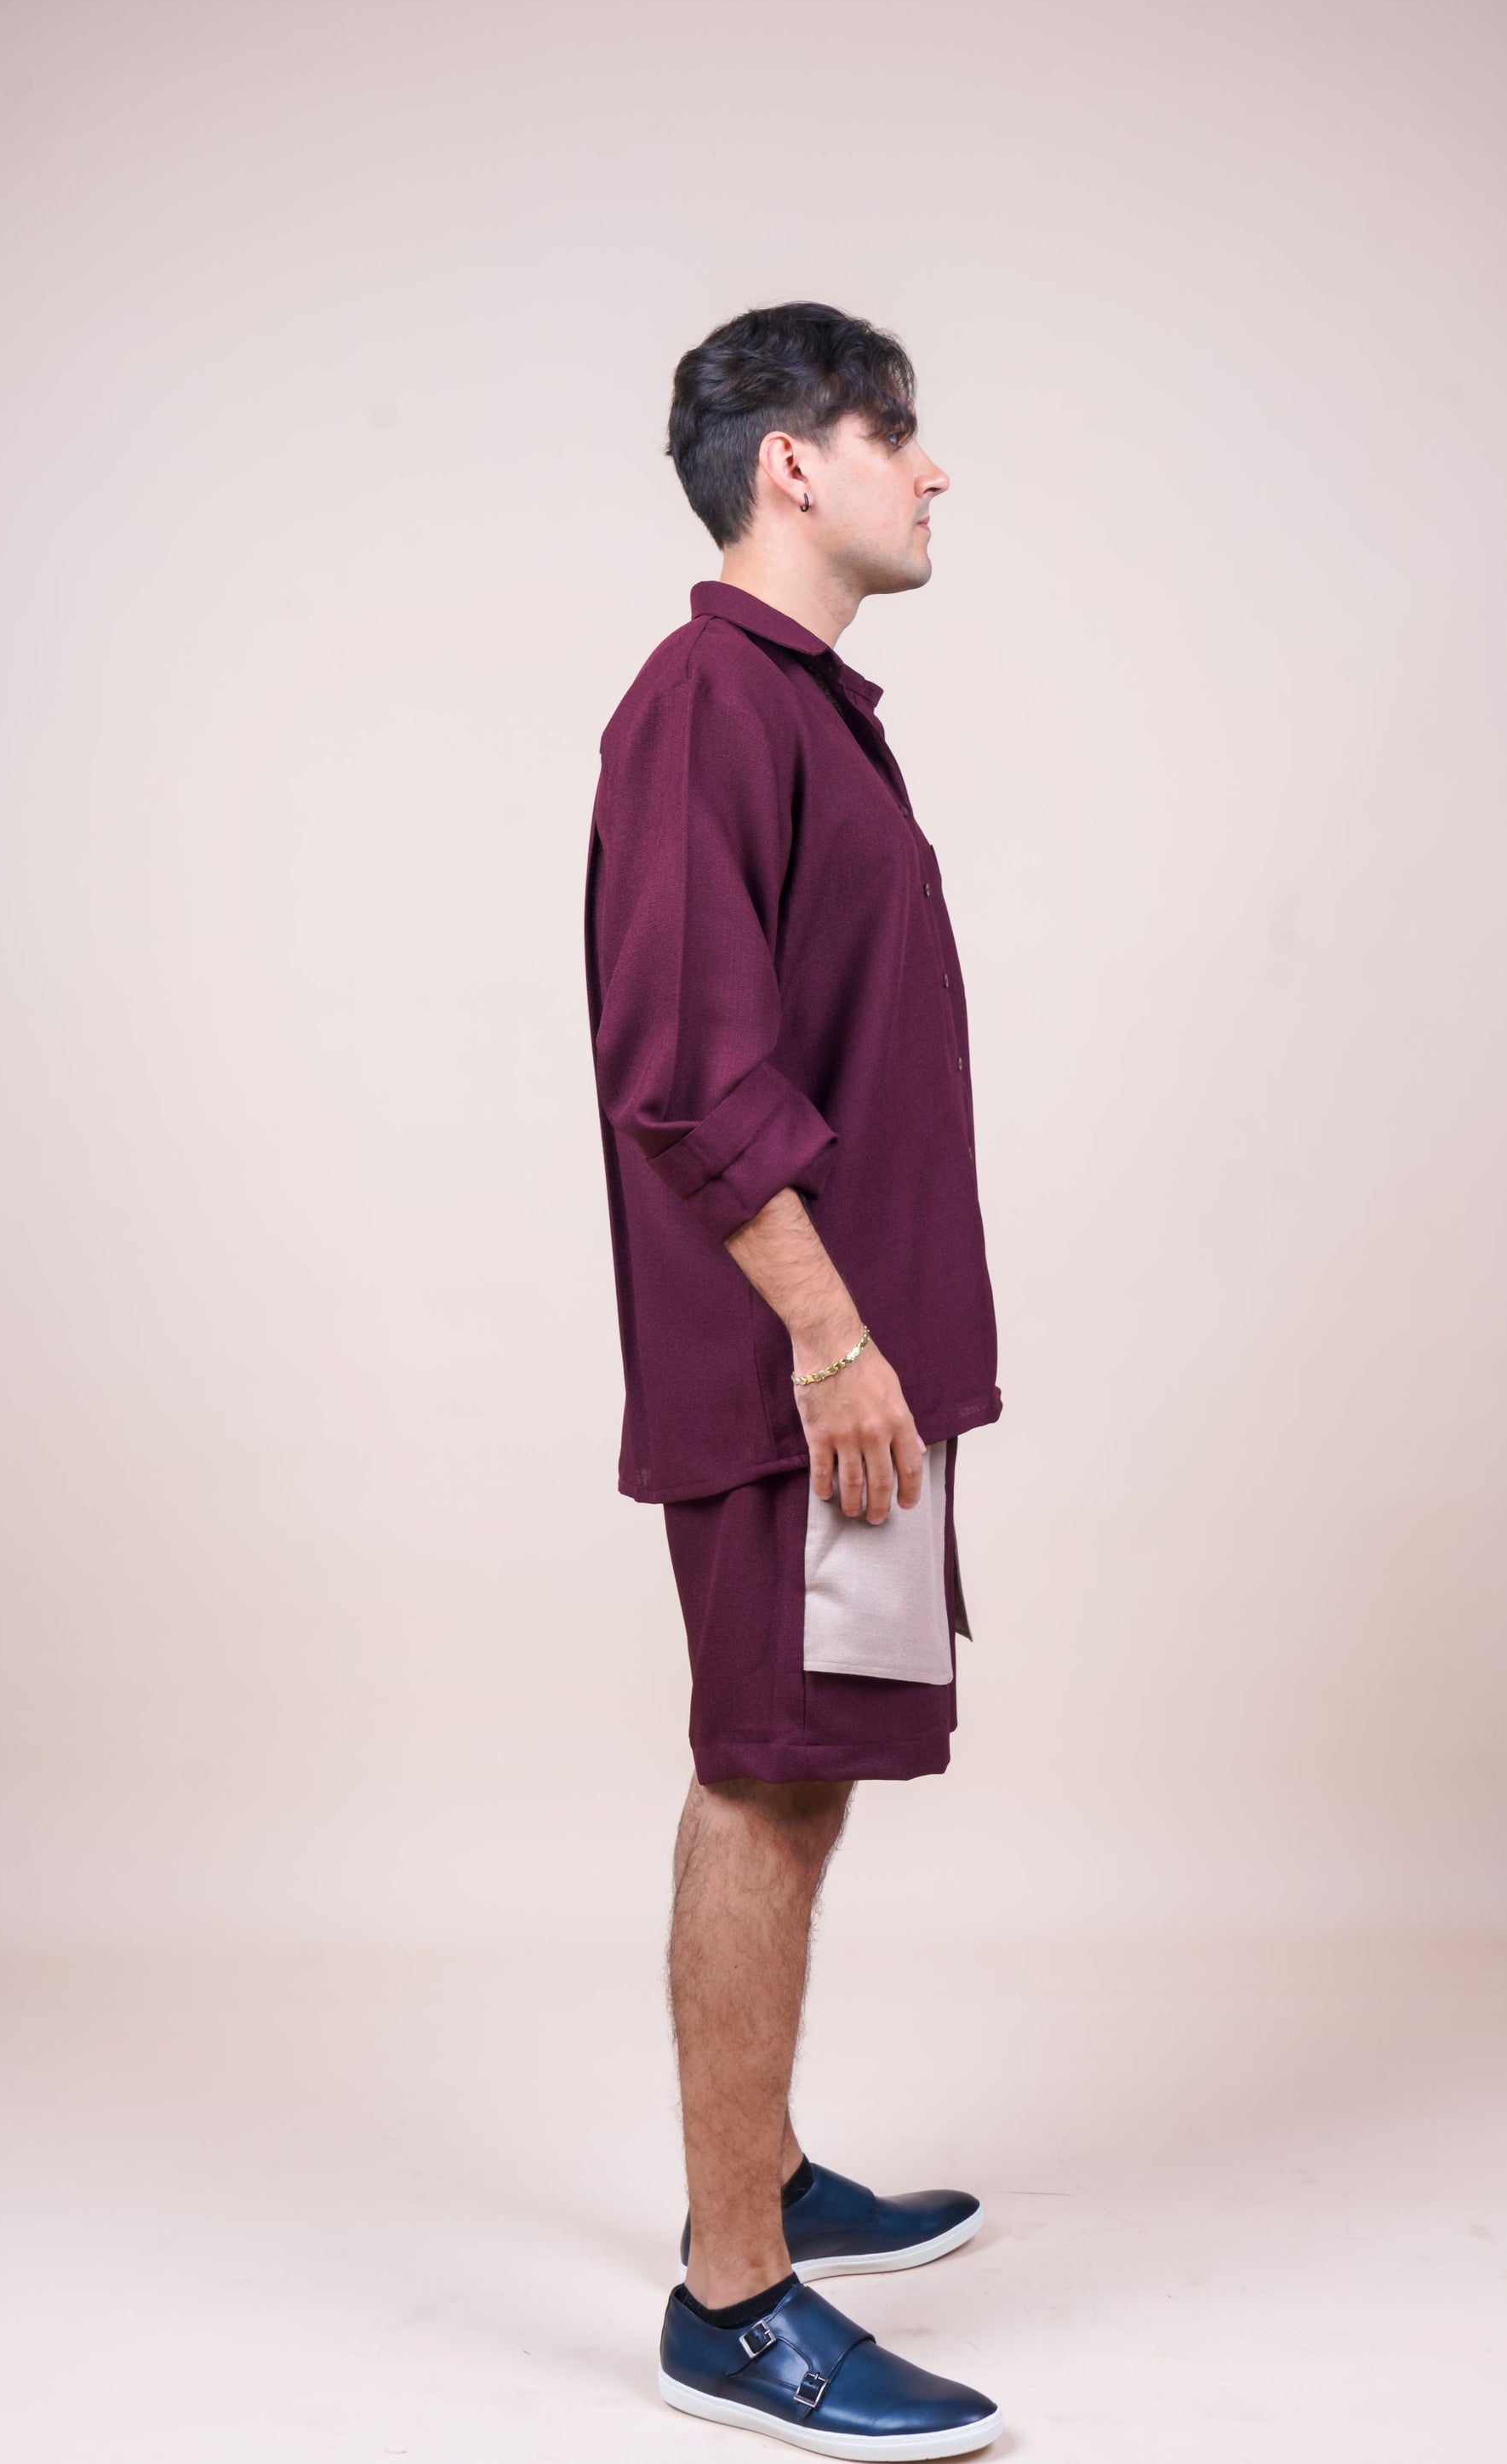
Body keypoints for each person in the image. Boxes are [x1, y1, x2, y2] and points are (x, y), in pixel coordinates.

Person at [583, 301, 1006, 2457]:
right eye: (894, 433)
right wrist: (830, 1339)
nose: (929, 472)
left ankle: (755, 2167)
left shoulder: (807, 712)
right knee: (759, 1771)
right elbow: (683, 1071)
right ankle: (732, 2297)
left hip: (861, 1362)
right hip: (795, 1370)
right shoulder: (704, 709)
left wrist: (878, 1349)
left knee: (810, 1758)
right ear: (790, 464)